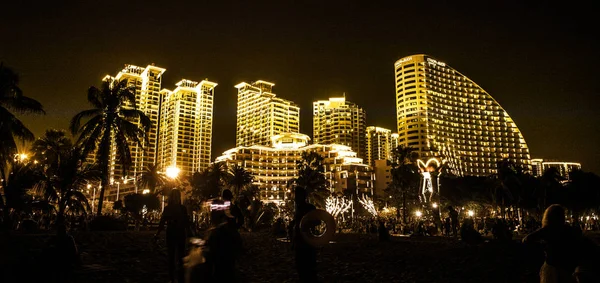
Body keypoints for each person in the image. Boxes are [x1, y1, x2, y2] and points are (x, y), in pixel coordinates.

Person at [523, 204, 583, 283]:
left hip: (552, 267)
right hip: (566, 268)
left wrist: (541, 246)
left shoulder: (547, 230)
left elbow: (526, 240)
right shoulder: (568, 229)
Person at [155, 189, 193, 283]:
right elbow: (163, 221)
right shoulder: (179, 208)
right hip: (176, 232)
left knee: (177, 256)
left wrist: (157, 234)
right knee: (175, 255)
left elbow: (163, 222)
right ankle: (176, 277)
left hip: (175, 232)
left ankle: (176, 277)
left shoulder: (172, 208)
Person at [291, 187, 318, 282]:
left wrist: (307, 225)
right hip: (299, 241)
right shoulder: (298, 208)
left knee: (308, 266)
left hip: (308, 241)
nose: (295, 198)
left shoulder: (310, 208)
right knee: (300, 267)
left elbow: (318, 221)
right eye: (295, 195)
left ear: (303, 196)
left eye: (297, 195)